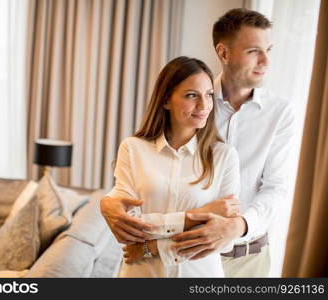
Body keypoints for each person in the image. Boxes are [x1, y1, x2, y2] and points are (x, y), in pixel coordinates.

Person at [101, 8, 295, 278]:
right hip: (175, 261)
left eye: (268, 50)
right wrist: (107, 203)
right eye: (253, 51)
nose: (265, 61)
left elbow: (277, 189)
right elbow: (135, 205)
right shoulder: (193, 105)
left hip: (246, 255)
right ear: (224, 53)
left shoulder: (280, 113)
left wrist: (237, 225)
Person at [104, 56, 242, 277]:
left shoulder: (225, 156)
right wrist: (201, 214)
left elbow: (222, 240)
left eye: (208, 95)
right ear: (166, 100)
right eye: (191, 95)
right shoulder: (133, 149)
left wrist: (152, 248)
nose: (204, 105)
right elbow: (129, 228)